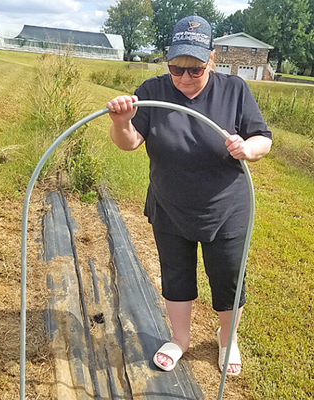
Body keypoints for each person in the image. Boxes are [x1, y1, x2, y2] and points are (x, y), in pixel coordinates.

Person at [106, 15, 272, 376]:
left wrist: (248, 147)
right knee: (176, 275)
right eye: (176, 69)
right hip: (169, 205)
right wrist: (121, 122)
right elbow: (131, 143)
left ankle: (228, 339)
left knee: (227, 278)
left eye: (195, 70)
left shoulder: (234, 90)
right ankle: (179, 340)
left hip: (225, 209)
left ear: (211, 59)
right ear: (168, 62)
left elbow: (264, 138)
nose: (184, 78)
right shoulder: (153, 90)